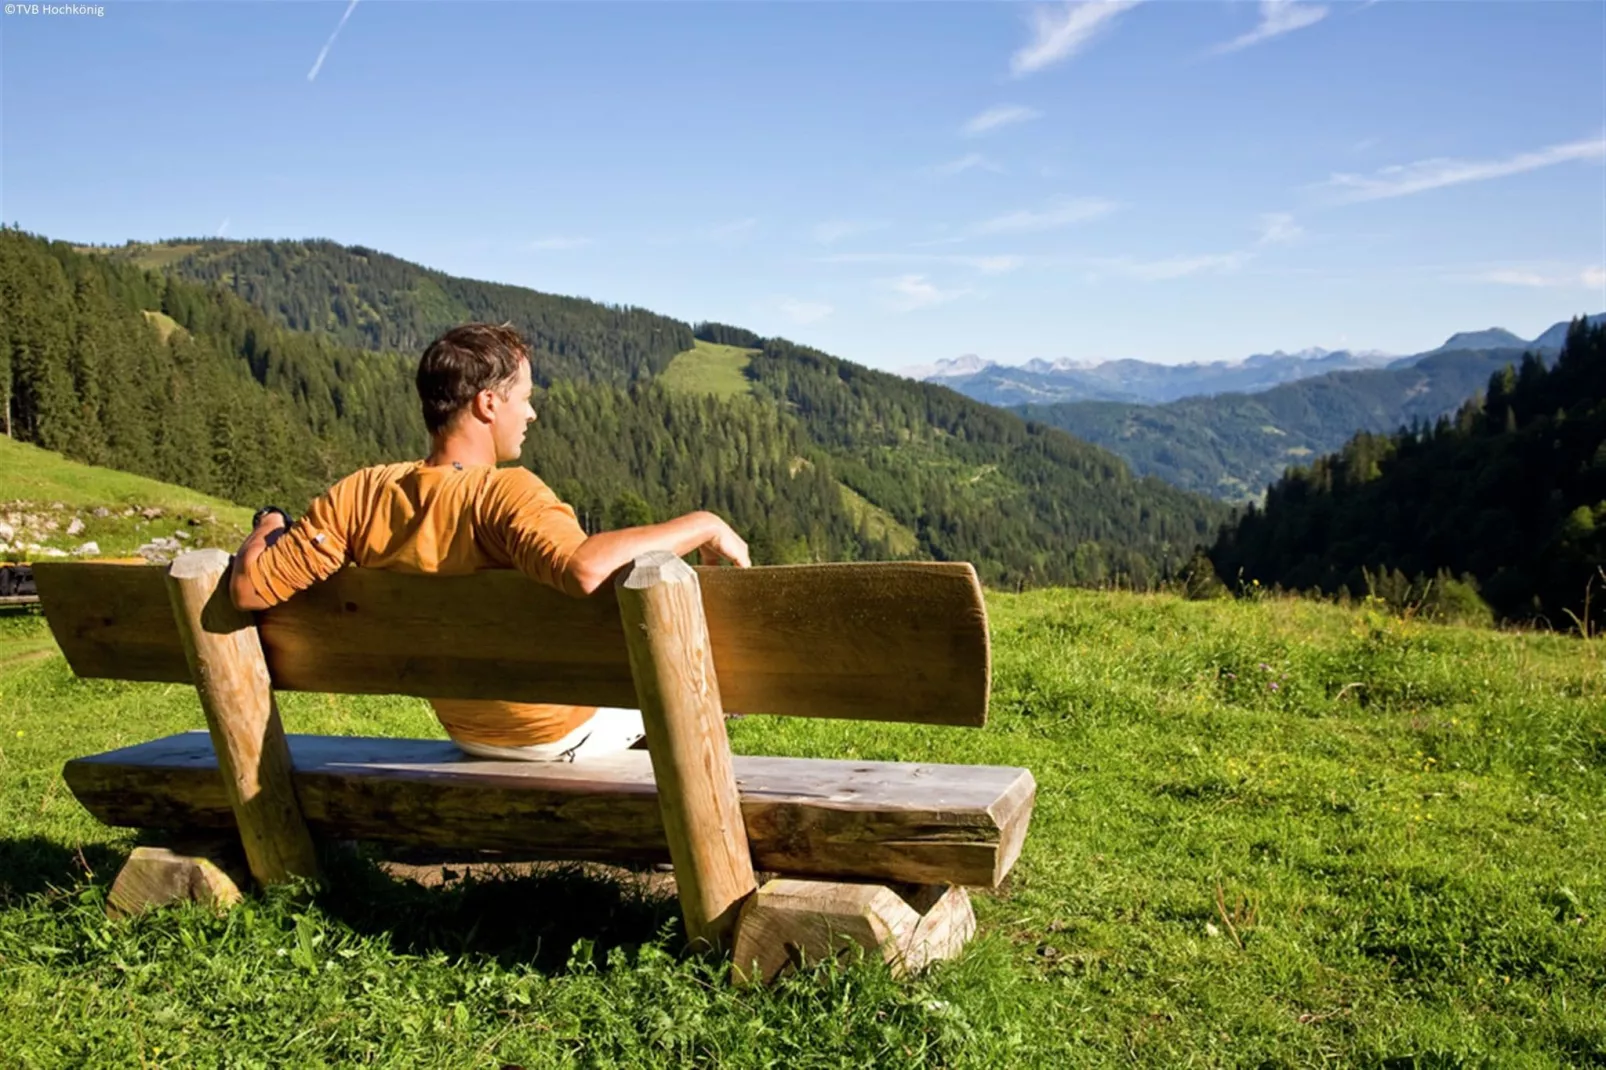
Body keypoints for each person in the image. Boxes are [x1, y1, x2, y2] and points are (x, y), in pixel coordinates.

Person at [229, 322, 750, 761]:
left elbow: (251, 588)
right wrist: (705, 523)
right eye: (524, 399)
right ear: (486, 404)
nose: (531, 414)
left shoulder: (361, 493)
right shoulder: (503, 493)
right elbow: (583, 569)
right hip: (556, 732)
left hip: (470, 733)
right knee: (703, 672)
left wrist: (270, 525)